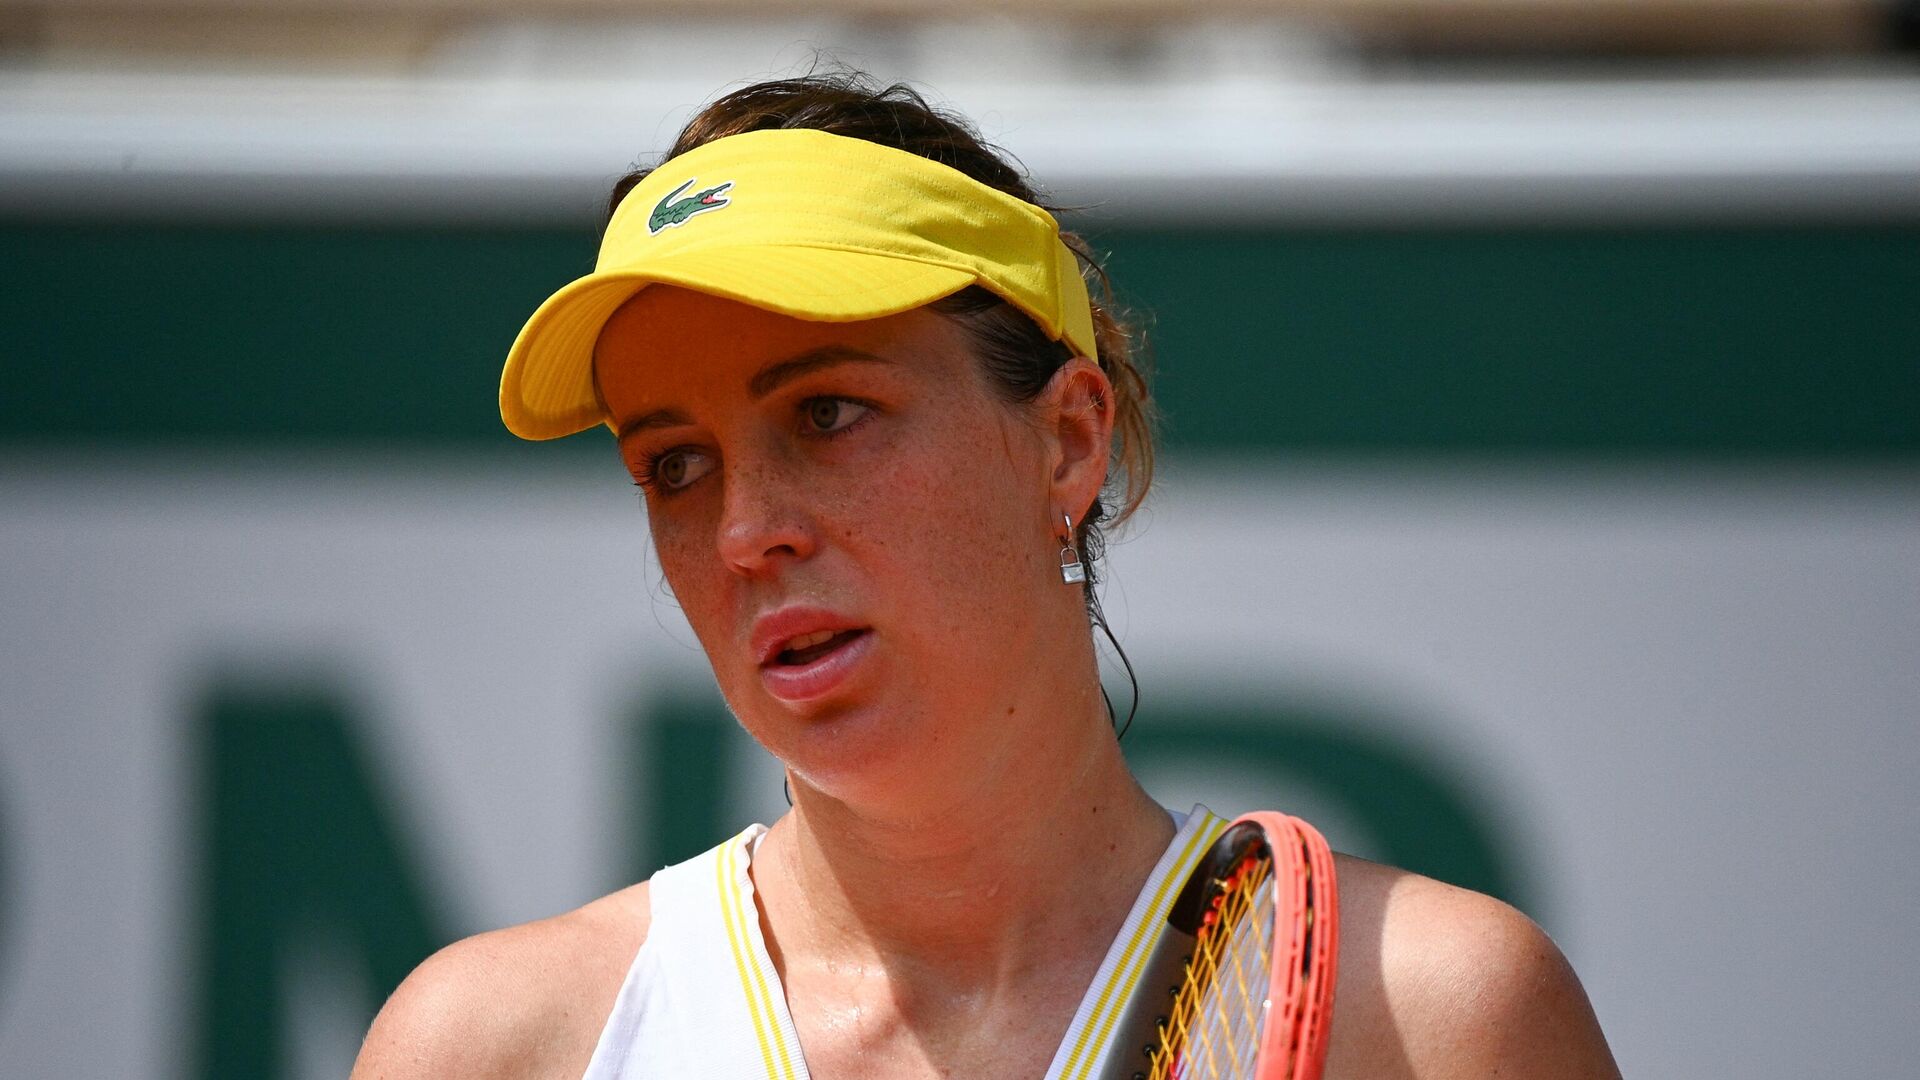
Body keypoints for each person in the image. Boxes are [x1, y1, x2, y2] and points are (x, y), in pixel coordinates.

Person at [351, 74, 1621, 1080]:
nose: (745, 532)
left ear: (1068, 438)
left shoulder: (1438, 1020)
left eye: (830, 413)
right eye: (675, 465)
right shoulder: (486, 1051)